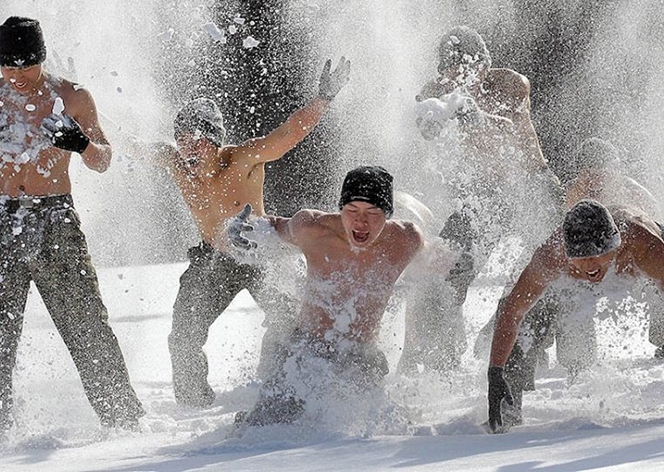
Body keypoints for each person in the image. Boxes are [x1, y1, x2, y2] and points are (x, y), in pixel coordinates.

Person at [0, 17, 144, 444]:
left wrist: (80, 143)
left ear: (41, 60)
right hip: (2, 218)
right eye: (9, 67)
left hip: (55, 219)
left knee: (84, 322)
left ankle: (124, 421)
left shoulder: (72, 97)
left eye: (26, 67)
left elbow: (103, 161)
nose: (18, 77)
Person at [150, 57, 351, 408]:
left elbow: (288, 135)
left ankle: (297, 388)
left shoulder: (242, 159)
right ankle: (192, 404)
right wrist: (79, 114)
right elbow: (128, 143)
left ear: (214, 140)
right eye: (182, 141)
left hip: (260, 254)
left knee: (293, 325)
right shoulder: (176, 164)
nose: (188, 150)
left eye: (196, 141)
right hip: (213, 259)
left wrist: (322, 100)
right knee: (183, 335)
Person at [400, 26, 564, 373]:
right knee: (441, 271)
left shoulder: (511, 83)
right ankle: (439, 362)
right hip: (481, 193)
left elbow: (514, 132)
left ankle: (547, 350)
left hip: (531, 184)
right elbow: (424, 125)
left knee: (558, 264)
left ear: (485, 65)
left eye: (470, 70)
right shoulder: (434, 93)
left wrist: (477, 116)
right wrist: (429, 127)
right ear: (442, 73)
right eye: (452, 73)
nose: (462, 80)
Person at [227, 166, 429, 426]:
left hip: (361, 356)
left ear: (388, 214)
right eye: (352, 210)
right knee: (263, 429)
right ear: (340, 209)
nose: (360, 222)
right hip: (306, 350)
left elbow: (435, 258)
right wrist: (243, 228)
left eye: (372, 213)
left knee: (370, 429)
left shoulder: (405, 240)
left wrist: (457, 261)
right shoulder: (312, 228)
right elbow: (276, 227)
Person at [486, 200, 664, 433]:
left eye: (597, 256)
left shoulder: (644, 248)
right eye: (581, 258)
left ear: (614, 246)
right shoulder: (552, 256)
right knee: (527, 317)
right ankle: (506, 413)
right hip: (569, 278)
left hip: (646, 254)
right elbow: (512, 313)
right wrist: (495, 372)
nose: (589, 265)